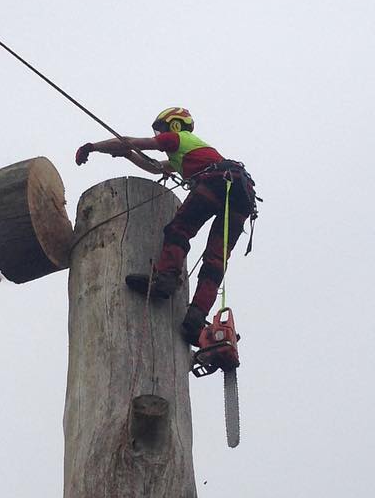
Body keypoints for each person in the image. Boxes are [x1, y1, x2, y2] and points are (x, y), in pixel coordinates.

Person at [75, 107, 256, 344]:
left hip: (215, 184)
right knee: (215, 260)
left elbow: (129, 141)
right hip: (241, 198)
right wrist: (128, 154)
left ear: (174, 126)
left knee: (179, 230)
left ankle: (165, 280)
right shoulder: (188, 153)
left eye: (160, 130)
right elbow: (154, 167)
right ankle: (195, 318)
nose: (159, 135)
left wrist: (93, 147)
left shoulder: (177, 138)